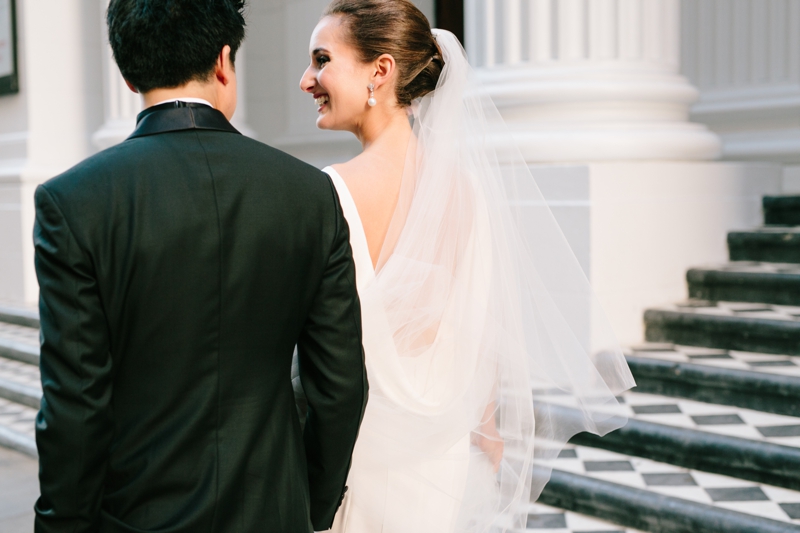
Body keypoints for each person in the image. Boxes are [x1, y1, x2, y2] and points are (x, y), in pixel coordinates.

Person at [299, 1, 636, 532]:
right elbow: (478, 328)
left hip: (355, 456)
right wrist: (486, 427)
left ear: (380, 71)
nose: (306, 80)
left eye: (321, 60)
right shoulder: (469, 191)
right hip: (444, 454)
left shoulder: (329, 191)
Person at [33, 1, 367, 532]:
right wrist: (312, 505)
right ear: (223, 61)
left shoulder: (73, 202)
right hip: (273, 512)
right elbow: (341, 386)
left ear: (126, 71)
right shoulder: (310, 194)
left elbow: (74, 408)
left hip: (134, 517)